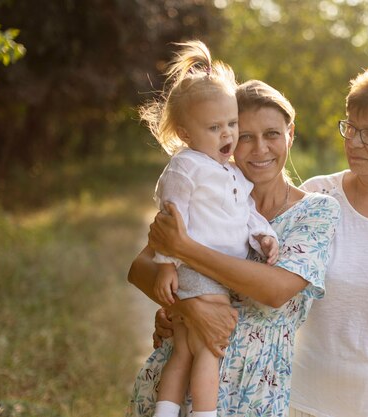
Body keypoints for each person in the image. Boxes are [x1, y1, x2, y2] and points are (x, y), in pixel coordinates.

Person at [150, 65, 368, 417]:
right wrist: (182, 305)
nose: (352, 141)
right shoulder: (317, 195)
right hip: (304, 402)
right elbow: (206, 262)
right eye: (350, 128)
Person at [126, 79, 341, 417]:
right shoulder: (204, 193)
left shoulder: (317, 211)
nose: (259, 149)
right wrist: (190, 307)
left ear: (290, 134)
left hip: (254, 390)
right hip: (175, 383)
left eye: (271, 133)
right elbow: (140, 268)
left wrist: (184, 248)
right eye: (244, 136)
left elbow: (275, 290)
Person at [139, 41, 280, 417]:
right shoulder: (187, 166)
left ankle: (166, 411)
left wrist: (264, 234)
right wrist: (168, 265)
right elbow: (171, 216)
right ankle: (205, 413)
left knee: (184, 348)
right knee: (210, 348)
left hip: (208, 271)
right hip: (200, 272)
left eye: (232, 125)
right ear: (186, 134)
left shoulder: (228, 171)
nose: (227, 136)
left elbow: (245, 210)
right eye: (214, 127)